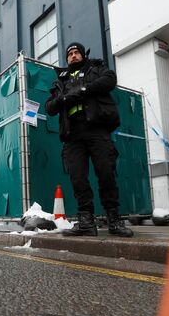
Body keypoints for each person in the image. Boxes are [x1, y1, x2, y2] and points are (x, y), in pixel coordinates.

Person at [45, 42, 133, 237]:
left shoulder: (97, 68)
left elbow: (110, 80)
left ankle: (114, 220)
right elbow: (49, 107)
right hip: (73, 135)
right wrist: (64, 99)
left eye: (77, 52)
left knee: (106, 174)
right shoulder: (61, 80)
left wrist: (83, 90)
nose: (74, 56)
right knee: (78, 178)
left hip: (97, 130)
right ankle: (86, 221)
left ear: (83, 55)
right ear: (67, 58)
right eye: (70, 54)